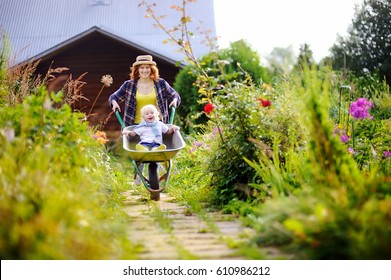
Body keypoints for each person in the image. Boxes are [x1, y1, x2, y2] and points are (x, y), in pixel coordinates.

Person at [109, 54, 180, 126]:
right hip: (135, 126)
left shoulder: (160, 83)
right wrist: (114, 103)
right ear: (137, 70)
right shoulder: (129, 85)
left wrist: (174, 100)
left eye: (147, 67)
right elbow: (113, 97)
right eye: (142, 68)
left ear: (151, 69)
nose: (145, 70)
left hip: (158, 124)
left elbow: (175, 95)